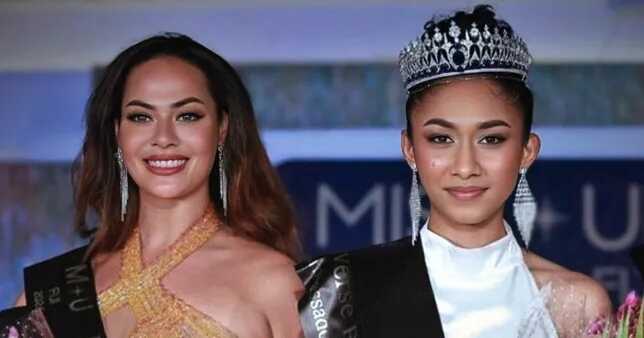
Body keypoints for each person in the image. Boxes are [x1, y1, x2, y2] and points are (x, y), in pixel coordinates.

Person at [298, 5, 612, 338]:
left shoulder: (577, 303)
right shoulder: (336, 292)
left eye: (491, 139)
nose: (465, 167)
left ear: (527, 151)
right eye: (441, 138)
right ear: (410, 149)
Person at [6, 33, 303, 338]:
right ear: (118, 133)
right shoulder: (51, 293)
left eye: (187, 116)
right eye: (141, 117)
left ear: (222, 128)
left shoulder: (273, 282)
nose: (163, 137)